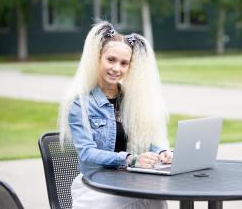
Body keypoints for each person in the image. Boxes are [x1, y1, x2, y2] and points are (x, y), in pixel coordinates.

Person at [58, 21, 173, 209]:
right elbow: (87, 152)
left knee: (156, 200)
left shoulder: (132, 100)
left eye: (124, 63)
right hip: (95, 186)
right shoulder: (81, 104)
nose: (116, 68)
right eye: (111, 60)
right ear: (98, 58)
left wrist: (161, 152)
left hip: (128, 182)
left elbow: (142, 139)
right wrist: (130, 159)